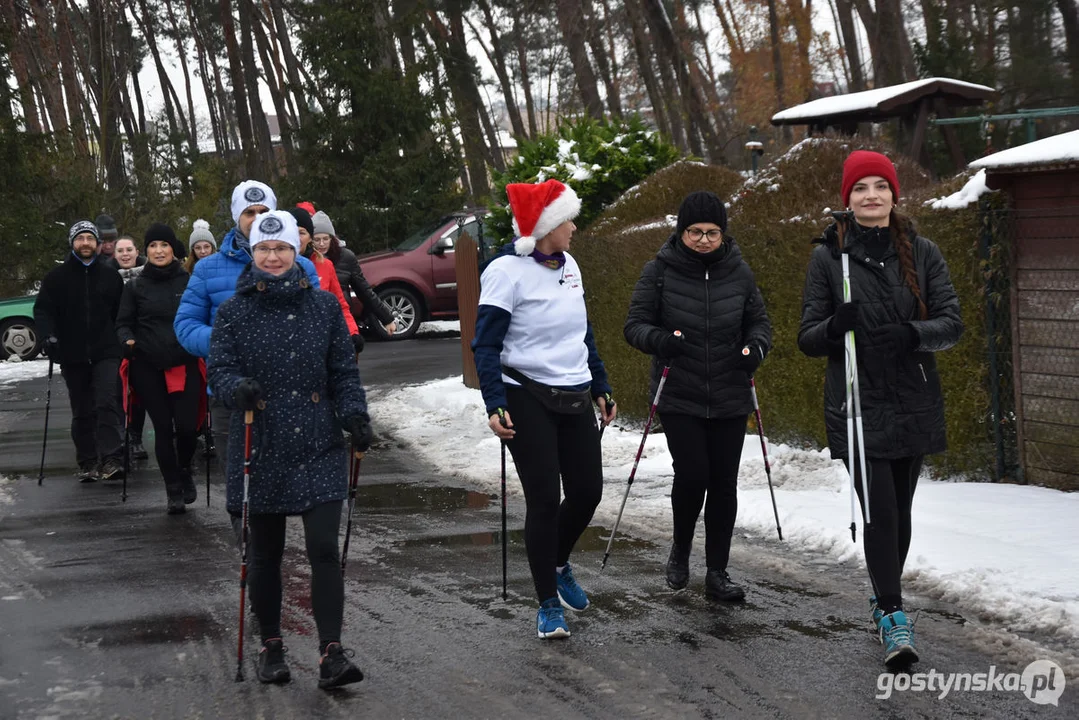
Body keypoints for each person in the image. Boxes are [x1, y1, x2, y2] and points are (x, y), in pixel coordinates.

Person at [797, 150, 963, 668]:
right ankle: (892, 614)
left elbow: (952, 323)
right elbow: (807, 337)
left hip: (913, 399)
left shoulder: (923, 251)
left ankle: (882, 594)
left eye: (880, 186)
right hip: (857, 403)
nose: (871, 196)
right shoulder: (830, 258)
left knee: (902, 511)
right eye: (860, 188)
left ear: (894, 194)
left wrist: (911, 333)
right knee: (880, 511)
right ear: (847, 199)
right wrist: (833, 327)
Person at [208, 210, 370, 689]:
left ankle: (331, 652)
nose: (274, 256)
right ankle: (271, 645)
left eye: (281, 248)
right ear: (252, 253)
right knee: (266, 554)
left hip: (318, 440)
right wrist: (236, 386)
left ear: (295, 252)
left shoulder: (322, 307)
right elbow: (219, 372)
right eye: (264, 249)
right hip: (262, 440)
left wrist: (355, 415)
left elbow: (343, 371)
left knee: (323, 548)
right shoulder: (233, 312)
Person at [471, 179, 615, 640]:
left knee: (588, 491)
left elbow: (583, 333)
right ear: (548, 225)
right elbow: (486, 345)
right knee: (545, 500)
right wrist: (494, 401)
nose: (574, 227)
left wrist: (601, 385)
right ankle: (548, 606)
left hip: (573, 393)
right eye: (568, 219)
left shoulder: (570, 264)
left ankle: (557, 562)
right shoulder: (504, 272)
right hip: (525, 395)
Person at [624, 191, 772, 603]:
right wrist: (660, 340)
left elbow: (759, 323)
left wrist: (755, 348)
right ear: (681, 231)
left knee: (723, 482)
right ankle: (680, 550)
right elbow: (634, 325)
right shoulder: (658, 271)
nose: (705, 240)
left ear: (723, 234)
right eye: (695, 232)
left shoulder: (739, 272)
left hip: (729, 391)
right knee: (692, 474)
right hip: (679, 390)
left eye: (712, 233)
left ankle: (717, 571)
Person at [174, 181, 321, 504]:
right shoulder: (207, 269)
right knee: (245, 494)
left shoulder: (302, 267)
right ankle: (252, 553)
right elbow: (185, 326)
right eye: (249, 212)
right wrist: (227, 339)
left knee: (292, 489)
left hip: (290, 396)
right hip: (232, 397)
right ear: (235, 215)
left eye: (263, 211)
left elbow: (319, 323)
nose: (256, 218)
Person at [116, 224, 204, 514]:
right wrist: (127, 340)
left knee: (189, 428)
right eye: (153, 245)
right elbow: (123, 322)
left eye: (164, 245)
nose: (158, 250)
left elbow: (202, 315)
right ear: (147, 250)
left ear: (173, 249)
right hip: (148, 366)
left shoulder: (190, 281)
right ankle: (173, 488)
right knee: (164, 428)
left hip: (185, 362)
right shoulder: (135, 286)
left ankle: (185, 468)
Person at [33, 221, 125, 481]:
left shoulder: (110, 276)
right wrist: (47, 336)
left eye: (90, 239)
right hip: (72, 352)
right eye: (80, 238)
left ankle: (112, 458)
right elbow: (43, 311)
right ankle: (87, 461)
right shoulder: (56, 278)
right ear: (72, 242)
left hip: (106, 351)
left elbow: (121, 313)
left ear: (97, 243)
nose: (85, 243)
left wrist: (122, 339)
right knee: (83, 409)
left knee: (107, 402)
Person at [287, 207, 364, 353]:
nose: (297, 238)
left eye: (302, 233)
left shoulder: (325, 265)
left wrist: (352, 333)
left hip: (321, 342)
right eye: (292, 233)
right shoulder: (276, 265)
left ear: (310, 237)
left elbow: (340, 305)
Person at [311, 210, 396, 336]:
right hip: (315, 322)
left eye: (325, 239)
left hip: (341, 320)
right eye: (317, 240)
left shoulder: (346, 257)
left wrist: (386, 318)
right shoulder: (307, 260)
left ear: (332, 239)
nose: (322, 244)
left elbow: (364, 291)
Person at [113, 235, 149, 461]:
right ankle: (119, 437)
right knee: (118, 394)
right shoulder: (108, 277)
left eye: (129, 250)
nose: (125, 255)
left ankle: (135, 437)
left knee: (140, 395)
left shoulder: (148, 275)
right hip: (114, 342)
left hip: (143, 341)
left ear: (137, 252)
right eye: (120, 251)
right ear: (115, 255)